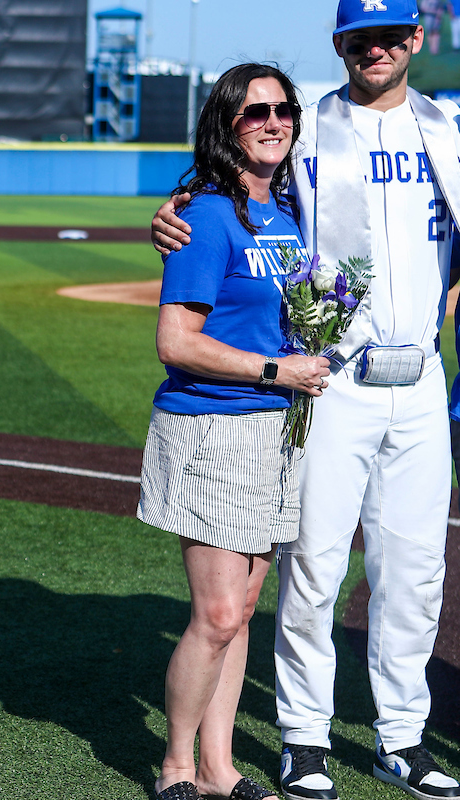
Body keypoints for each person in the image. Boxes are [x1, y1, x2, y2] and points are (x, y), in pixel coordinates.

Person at [150, 3, 460, 799]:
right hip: (331, 380)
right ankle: (303, 739)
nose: (378, 49)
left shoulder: (452, 131)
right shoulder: (309, 128)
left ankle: (402, 736)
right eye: (362, 38)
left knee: (415, 572)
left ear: (417, 41)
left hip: (420, 379)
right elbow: (230, 184)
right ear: (341, 46)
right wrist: (170, 212)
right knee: (313, 569)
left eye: (393, 35)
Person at [136, 64, 331, 800]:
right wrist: (277, 371)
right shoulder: (206, 214)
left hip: (275, 433)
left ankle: (220, 769)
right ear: (227, 124)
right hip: (212, 423)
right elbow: (176, 341)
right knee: (216, 613)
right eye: (255, 113)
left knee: (243, 611)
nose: (273, 122)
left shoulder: (287, 216)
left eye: (283, 110)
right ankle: (176, 766)